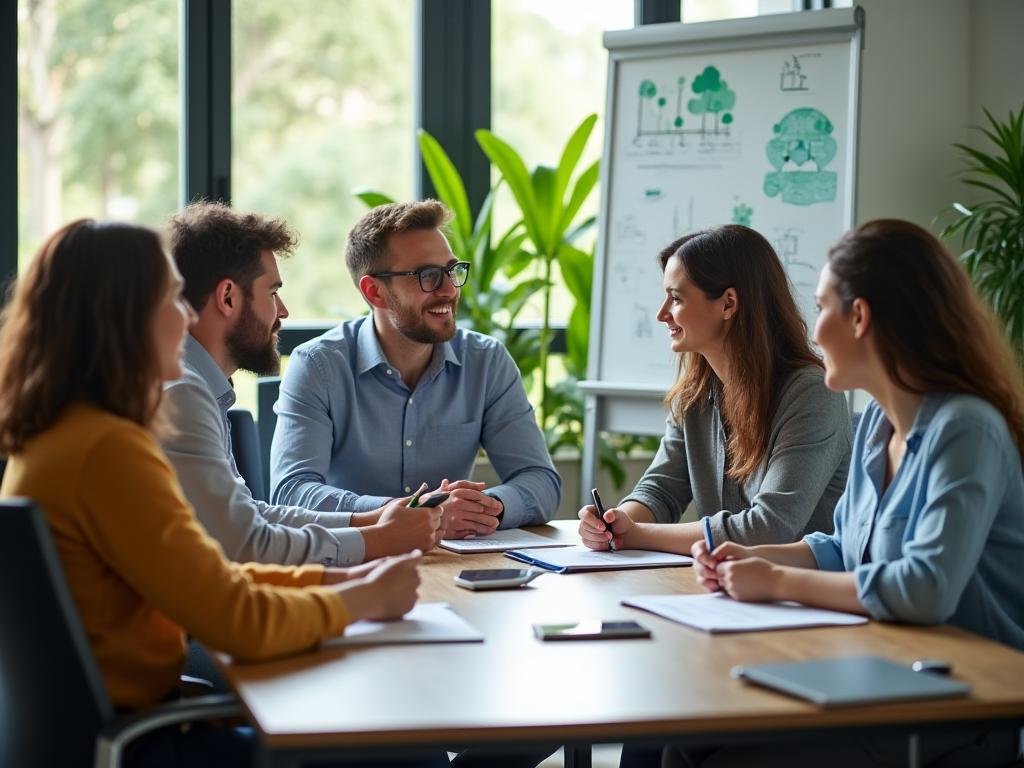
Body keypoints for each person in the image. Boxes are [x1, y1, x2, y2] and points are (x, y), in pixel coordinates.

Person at [0, 220, 436, 768]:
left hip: (115, 730)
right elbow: (236, 620)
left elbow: (208, 572)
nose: (185, 317)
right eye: (169, 300)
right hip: (144, 744)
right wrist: (362, 599)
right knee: (401, 751)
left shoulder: (62, 434)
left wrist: (338, 577)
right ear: (123, 317)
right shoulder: (108, 450)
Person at [681, 219, 1024, 767]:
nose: (813, 332)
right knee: (683, 737)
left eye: (821, 308)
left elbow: (925, 588)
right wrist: (748, 555)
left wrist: (775, 581)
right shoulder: (875, 425)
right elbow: (844, 547)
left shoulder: (965, 429)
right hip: (885, 667)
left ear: (860, 316)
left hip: (963, 699)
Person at [164, 201, 441, 567]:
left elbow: (251, 516)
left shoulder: (198, 387)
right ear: (227, 297)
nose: (282, 312)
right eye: (272, 293)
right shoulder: (182, 393)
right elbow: (243, 546)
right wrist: (379, 539)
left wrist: (371, 520)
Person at [269, 200, 560, 539]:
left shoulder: (486, 361)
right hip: (353, 565)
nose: (450, 290)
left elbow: (541, 481)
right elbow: (293, 493)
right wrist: (417, 514)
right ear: (374, 291)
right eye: (428, 276)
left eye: (452, 270)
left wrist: (485, 507)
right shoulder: (318, 366)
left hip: (453, 565)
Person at [578, 225, 851, 556]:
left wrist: (636, 535)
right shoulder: (694, 393)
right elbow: (661, 491)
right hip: (727, 588)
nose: (662, 314)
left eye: (676, 298)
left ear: (728, 304)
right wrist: (615, 522)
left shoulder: (811, 393)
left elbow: (770, 528)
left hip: (801, 597)